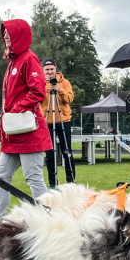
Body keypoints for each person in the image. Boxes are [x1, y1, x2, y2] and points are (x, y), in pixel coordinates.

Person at [0, 20, 51, 225]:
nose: (5, 38)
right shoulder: (13, 63)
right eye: (4, 35)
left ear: (20, 36)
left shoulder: (28, 59)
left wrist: (16, 110)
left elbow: (38, 91)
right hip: (15, 131)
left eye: (9, 34)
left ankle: (50, 218)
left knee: (33, 176)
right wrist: (7, 121)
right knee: (1, 174)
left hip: (28, 131)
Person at [39, 58, 75, 186]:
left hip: (63, 120)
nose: (49, 72)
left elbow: (70, 98)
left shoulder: (65, 83)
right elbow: (37, 98)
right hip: (47, 122)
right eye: (47, 70)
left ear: (56, 69)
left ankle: (71, 182)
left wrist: (59, 89)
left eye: (51, 69)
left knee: (67, 152)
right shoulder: (40, 82)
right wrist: (43, 84)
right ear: (43, 70)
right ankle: (53, 183)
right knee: (49, 154)